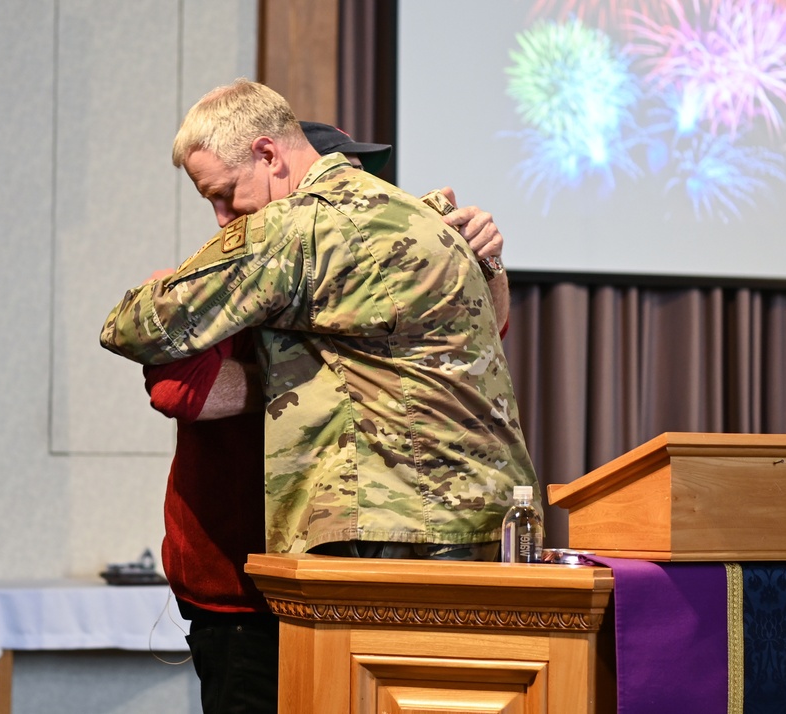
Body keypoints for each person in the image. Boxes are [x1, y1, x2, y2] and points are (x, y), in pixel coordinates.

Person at [141, 121, 516, 714]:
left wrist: (480, 265)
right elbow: (177, 388)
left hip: (353, 568)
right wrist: (330, 380)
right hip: (243, 584)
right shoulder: (239, 270)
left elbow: (479, 342)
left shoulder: (388, 261)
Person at [101, 78, 536, 559]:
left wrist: (166, 283)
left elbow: (135, 327)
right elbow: (482, 343)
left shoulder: (293, 228)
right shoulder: (430, 218)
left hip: (387, 527)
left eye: (223, 193)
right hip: (492, 522)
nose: (224, 217)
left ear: (268, 155)